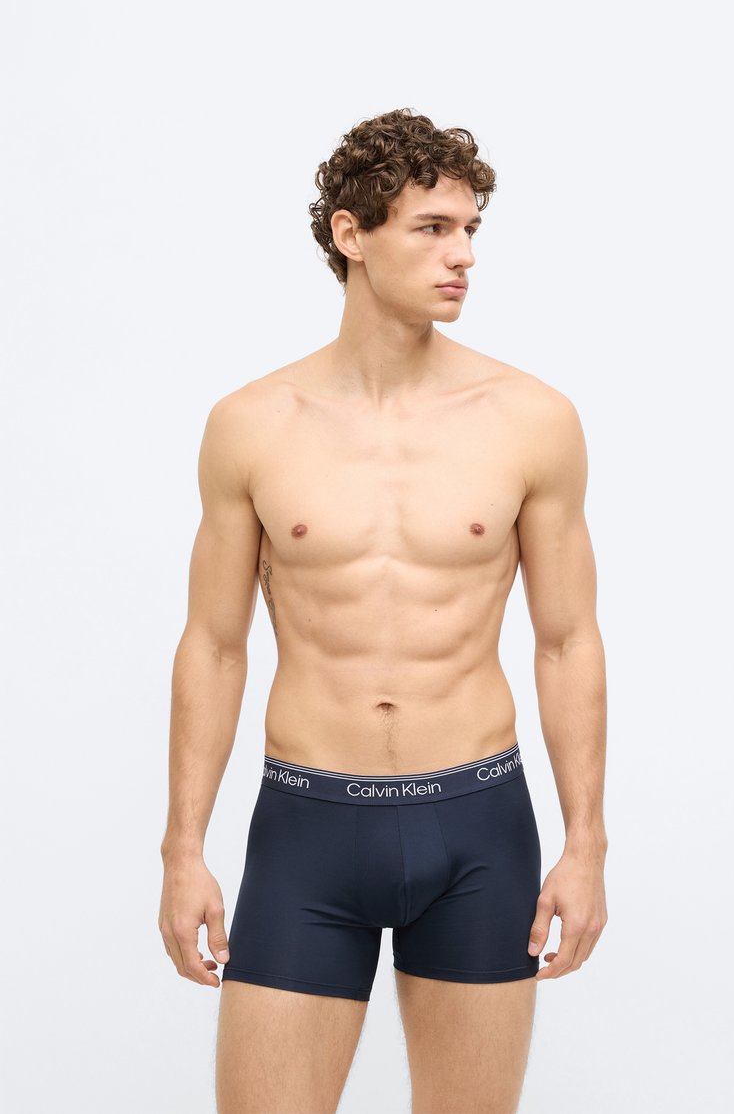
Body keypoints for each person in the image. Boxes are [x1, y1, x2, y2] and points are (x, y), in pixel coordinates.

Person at [158, 106, 609, 1114]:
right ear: (349, 234)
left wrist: (586, 843)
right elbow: (215, 645)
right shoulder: (252, 425)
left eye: (470, 230)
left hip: (478, 825)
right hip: (306, 828)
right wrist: (182, 849)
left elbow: (567, 640)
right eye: (432, 228)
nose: (463, 255)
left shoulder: (531, 420)